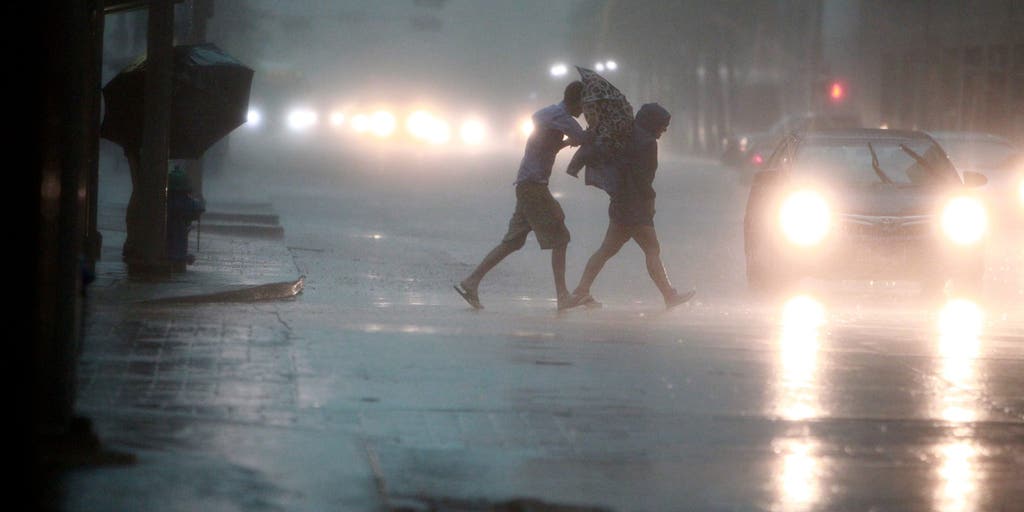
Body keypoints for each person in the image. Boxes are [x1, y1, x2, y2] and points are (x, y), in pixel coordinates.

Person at [455, 81, 591, 310]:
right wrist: (593, 126)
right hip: (534, 186)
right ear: (578, 102)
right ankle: (562, 296)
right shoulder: (561, 117)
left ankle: (471, 281)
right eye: (585, 105)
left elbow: (546, 141)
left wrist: (565, 141)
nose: (585, 110)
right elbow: (584, 137)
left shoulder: (551, 114)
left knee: (513, 242)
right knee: (560, 238)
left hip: (526, 184)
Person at [566, 103, 695, 310]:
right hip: (636, 206)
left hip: (620, 202)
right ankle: (669, 295)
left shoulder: (625, 135)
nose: (664, 129)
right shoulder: (648, 143)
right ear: (653, 122)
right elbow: (644, 180)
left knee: (606, 250)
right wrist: (649, 203)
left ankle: (581, 290)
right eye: (663, 125)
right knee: (652, 249)